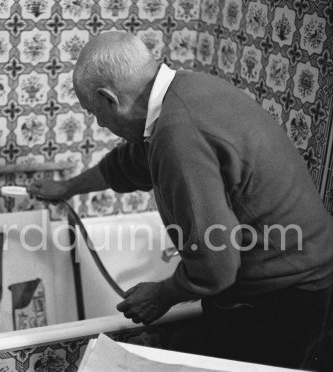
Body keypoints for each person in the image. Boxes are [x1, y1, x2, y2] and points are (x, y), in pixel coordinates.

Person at [27, 31, 333, 370]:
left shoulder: (177, 135)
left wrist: (162, 294)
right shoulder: (185, 91)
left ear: (109, 99)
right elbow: (129, 163)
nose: (99, 123)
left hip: (284, 296)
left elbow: (215, 267)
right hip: (295, 275)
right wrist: (67, 187)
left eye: (94, 112)